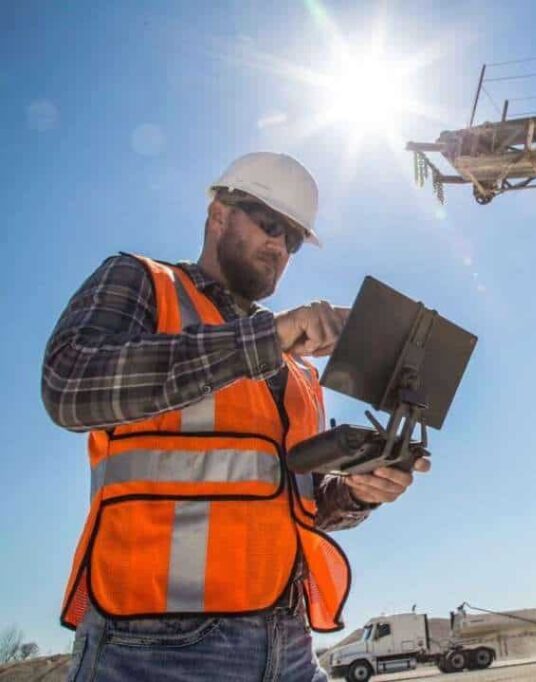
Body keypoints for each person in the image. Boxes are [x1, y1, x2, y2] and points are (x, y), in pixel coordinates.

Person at [42, 152, 429, 681]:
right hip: (154, 645)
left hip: (286, 640)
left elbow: (298, 505)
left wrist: (358, 492)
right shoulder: (143, 281)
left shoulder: (294, 364)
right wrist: (266, 338)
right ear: (219, 214)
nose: (279, 247)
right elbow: (70, 383)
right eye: (270, 225)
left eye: (292, 240)